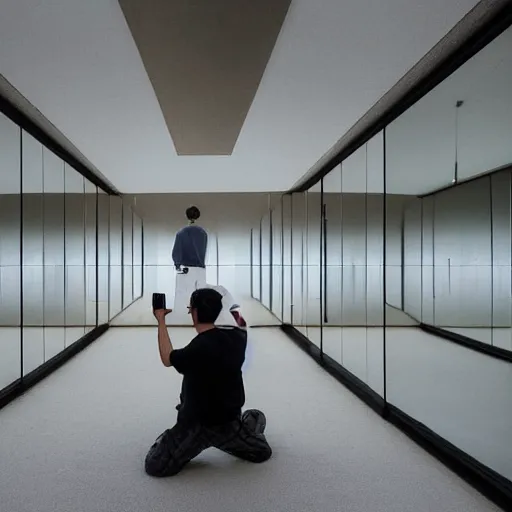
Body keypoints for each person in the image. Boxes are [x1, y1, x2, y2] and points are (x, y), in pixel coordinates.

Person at [145, 288, 271, 477]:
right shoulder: (239, 336)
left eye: (191, 309)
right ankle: (246, 427)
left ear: (194, 313)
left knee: (155, 466)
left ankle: (171, 438)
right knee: (262, 450)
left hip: (195, 425)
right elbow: (239, 318)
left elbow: (166, 358)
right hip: (228, 420)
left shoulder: (195, 349)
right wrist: (223, 300)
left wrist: (161, 319)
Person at [171, 206, 208, 318]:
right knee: (200, 295)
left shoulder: (181, 233)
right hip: (201, 269)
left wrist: (177, 264)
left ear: (187, 216)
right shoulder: (203, 233)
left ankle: (181, 318)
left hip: (186, 268)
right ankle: (200, 318)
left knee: (183, 294)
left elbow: (176, 251)